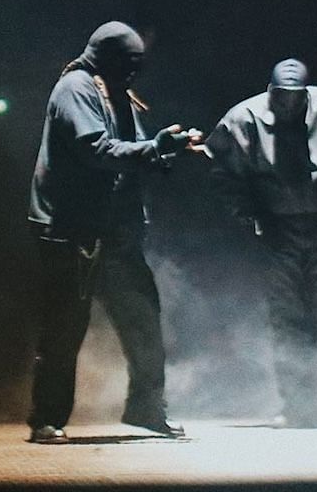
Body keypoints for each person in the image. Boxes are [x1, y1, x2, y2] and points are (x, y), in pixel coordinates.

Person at [26, 22, 200, 445]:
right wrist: (154, 149)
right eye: (130, 63)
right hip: (72, 231)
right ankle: (46, 419)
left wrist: (165, 152)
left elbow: (133, 150)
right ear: (106, 56)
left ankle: (145, 408)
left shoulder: (114, 88)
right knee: (64, 331)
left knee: (144, 321)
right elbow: (97, 151)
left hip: (115, 230)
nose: (135, 72)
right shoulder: (76, 89)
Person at [202, 59, 317, 428]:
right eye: (280, 97)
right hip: (277, 232)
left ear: (308, 94)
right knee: (286, 317)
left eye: (296, 97)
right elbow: (221, 173)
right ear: (269, 93)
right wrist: (250, 215)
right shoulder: (243, 118)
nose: (288, 104)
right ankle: (294, 403)